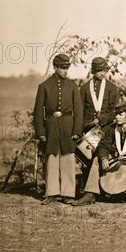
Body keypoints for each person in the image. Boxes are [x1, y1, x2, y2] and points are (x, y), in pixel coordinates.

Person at [73, 102, 126, 207]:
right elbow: (103, 146)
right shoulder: (112, 128)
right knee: (97, 160)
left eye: (120, 114)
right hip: (116, 155)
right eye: (116, 114)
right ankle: (90, 193)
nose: (117, 117)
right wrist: (104, 158)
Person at [33, 53, 83, 205]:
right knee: (52, 160)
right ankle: (52, 193)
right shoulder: (44, 86)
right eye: (62, 68)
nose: (65, 71)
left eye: (67, 68)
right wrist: (40, 132)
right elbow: (38, 111)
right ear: (55, 68)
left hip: (68, 126)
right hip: (51, 127)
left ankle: (68, 194)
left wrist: (76, 131)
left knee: (68, 160)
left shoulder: (73, 86)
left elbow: (79, 110)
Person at [79, 57, 119, 132]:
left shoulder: (112, 87)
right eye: (99, 70)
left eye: (104, 70)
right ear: (93, 71)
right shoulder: (84, 88)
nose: (102, 73)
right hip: (87, 128)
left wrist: (100, 119)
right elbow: (80, 111)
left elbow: (114, 111)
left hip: (106, 128)